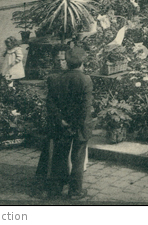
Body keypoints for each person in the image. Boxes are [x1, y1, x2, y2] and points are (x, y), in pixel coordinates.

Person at [43, 47, 93, 199]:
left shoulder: (56, 78)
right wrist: (76, 125)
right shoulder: (85, 80)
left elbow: (50, 104)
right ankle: (75, 191)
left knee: (60, 156)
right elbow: (85, 108)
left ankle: (55, 189)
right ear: (82, 63)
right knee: (77, 158)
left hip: (61, 125)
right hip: (79, 126)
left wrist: (61, 120)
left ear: (67, 62)